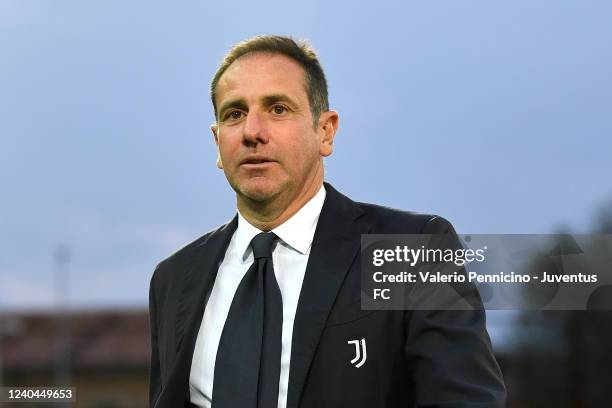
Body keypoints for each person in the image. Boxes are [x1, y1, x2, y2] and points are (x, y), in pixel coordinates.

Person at [148, 35, 506, 408]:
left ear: (326, 131)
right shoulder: (173, 279)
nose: (253, 131)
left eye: (278, 108)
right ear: (217, 140)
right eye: (234, 114)